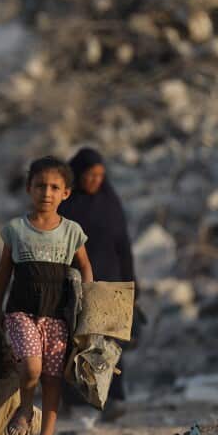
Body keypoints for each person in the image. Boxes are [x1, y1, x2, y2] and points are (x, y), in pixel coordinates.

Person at [0, 156, 94, 435]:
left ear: (66, 193)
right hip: (21, 310)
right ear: (28, 189)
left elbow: (85, 266)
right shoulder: (16, 229)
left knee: (52, 378)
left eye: (54, 187)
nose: (46, 193)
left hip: (58, 315)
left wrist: (89, 302)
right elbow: (3, 271)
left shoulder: (72, 231)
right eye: (40, 186)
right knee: (32, 367)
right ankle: (24, 409)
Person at [58, 147, 135, 420]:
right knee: (75, 343)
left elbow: (123, 244)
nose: (96, 180)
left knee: (109, 342)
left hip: (109, 281)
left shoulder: (109, 202)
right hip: (74, 283)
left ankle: (112, 399)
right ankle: (75, 401)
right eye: (90, 175)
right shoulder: (65, 203)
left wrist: (131, 283)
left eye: (100, 175)